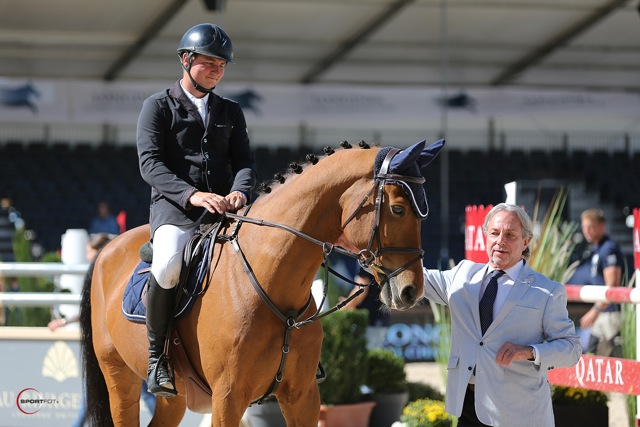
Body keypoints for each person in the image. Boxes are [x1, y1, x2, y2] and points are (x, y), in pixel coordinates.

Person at [136, 23, 257, 397]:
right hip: (177, 212)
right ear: (186, 60)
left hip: (225, 212)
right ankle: (158, 358)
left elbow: (245, 162)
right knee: (170, 265)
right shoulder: (157, 106)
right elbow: (150, 164)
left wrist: (239, 191)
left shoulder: (231, 111)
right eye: (210, 63)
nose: (217, 71)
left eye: (222, 65)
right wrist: (193, 195)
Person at [422, 203, 581, 427]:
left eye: (510, 235)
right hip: (468, 407)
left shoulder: (547, 291)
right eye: (495, 233)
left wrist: (529, 352)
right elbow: (417, 277)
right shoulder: (463, 274)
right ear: (486, 236)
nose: (500, 241)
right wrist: (367, 254)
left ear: (525, 242)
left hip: (519, 413)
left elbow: (571, 349)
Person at [48, 233, 157, 426]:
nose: (87, 255)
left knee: (90, 396)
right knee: (144, 394)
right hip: (121, 341)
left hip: (114, 342)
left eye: (89, 251)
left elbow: (88, 313)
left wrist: (64, 323)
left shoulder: (106, 274)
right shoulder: (106, 275)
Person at [574, 208, 624, 357]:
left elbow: (612, 286)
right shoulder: (596, 249)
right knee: (591, 355)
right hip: (602, 313)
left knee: (610, 360)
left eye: (591, 227)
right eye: (584, 227)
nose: (587, 231)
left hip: (611, 315)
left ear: (602, 226)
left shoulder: (608, 249)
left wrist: (594, 311)